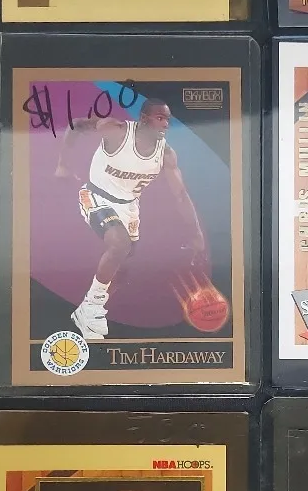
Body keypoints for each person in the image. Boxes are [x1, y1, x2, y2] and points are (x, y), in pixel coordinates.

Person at [55, 99, 206, 340]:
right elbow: (77, 125)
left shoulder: (166, 154)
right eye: (160, 118)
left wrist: (196, 233)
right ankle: (92, 307)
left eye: (167, 119)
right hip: (97, 194)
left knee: (122, 270)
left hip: (129, 206)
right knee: (119, 244)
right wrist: (63, 165)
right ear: (144, 118)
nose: (165, 124)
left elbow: (180, 195)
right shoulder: (117, 131)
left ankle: (87, 307)